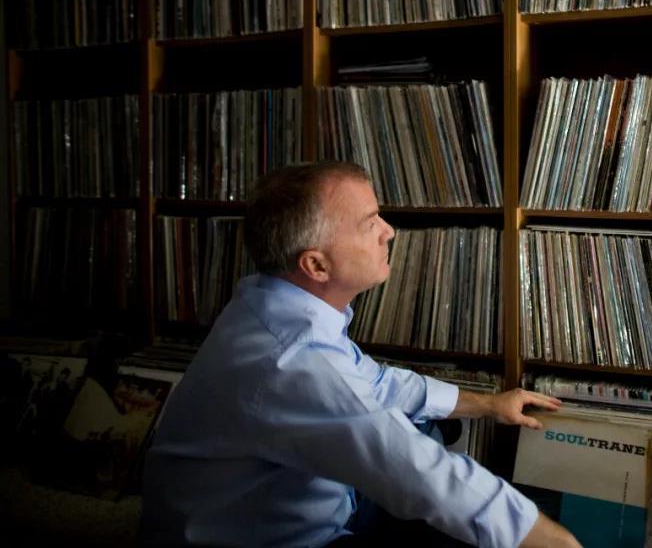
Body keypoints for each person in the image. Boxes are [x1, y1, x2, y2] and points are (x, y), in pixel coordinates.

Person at [140, 161, 581, 547]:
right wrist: (551, 540)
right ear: (316, 265)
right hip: (282, 539)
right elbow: (413, 469)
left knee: (433, 444)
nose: (389, 231)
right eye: (370, 223)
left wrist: (488, 404)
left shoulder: (269, 301)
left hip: (301, 504)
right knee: (485, 514)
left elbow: (374, 382)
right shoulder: (293, 361)